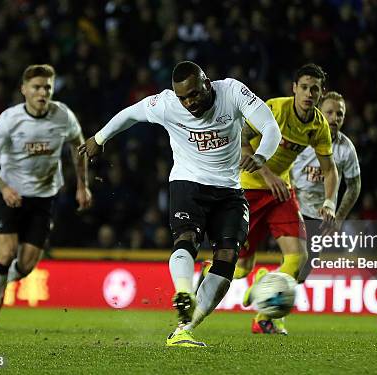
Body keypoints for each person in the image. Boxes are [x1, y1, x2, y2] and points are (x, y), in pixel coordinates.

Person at [78, 61, 281, 347]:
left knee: (226, 262)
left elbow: (270, 127)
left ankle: (184, 329)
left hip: (229, 190)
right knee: (186, 239)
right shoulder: (167, 103)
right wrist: (99, 138)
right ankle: (184, 291)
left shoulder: (232, 92)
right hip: (188, 182)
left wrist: (260, 157)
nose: (189, 103)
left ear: (207, 83)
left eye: (194, 95)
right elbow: (130, 114)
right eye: (183, 97)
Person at [0, 64, 92, 330]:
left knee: (26, 266)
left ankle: (1, 284)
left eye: (47, 88)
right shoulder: (9, 119)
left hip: (43, 197)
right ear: (24, 90)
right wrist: (3, 188)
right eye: (37, 87)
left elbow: (79, 148)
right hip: (10, 195)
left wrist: (82, 186)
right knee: (5, 252)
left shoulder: (63, 116)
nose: (42, 93)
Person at [236, 63, 339, 335]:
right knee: (240, 269)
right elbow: (241, 141)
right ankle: (247, 279)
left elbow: (330, 170)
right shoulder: (272, 109)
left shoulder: (318, 126)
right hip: (249, 188)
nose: (308, 93)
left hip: (281, 191)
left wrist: (329, 202)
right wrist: (268, 175)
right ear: (294, 88)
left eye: (314, 89)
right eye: (303, 87)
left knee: (298, 257)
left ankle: (264, 318)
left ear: (320, 93)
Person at [291, 91, 361, 277]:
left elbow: (354, 186)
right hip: (292, 207)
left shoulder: (346, 148)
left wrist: (338, 218)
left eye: (339, 114)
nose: (334, 118)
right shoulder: (301, 137)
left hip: (320, 217)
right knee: (293, 261)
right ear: (319, 111)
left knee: (303, 272)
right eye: (329, 112)